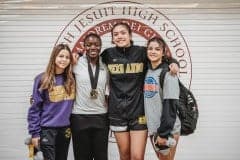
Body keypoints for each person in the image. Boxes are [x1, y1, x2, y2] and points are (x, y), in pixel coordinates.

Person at [101, 22, 179, 160]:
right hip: (117, 113)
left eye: (123, 33)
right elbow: (90, 59)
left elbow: (159, 57)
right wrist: (77, 55)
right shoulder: (107, 54)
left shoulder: (141, 52)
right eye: (116, 34)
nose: (119, 36)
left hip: (139, 112)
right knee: (124, 156)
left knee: (137, 157)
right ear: (112, 38)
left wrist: (174, 63)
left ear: (130, 35)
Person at [27, 43, 75, 160]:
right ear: (54, 57)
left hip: (65, 129)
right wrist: (35, 133)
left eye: (67, 57)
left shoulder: (72, 79)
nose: (64, 60)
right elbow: (35, 108)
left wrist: (77, 55)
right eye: (60, 56)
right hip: (47, 129)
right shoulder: (42, 79)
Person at [71, 33, 109, 160]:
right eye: (89, 45)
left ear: (100, 47)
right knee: (82, 157)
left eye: (96, 45)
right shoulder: (75, 62)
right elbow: (57, 71)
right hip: (79, 116)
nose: (93, 47)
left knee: (101, 157)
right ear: (84, 47)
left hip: (101, 116)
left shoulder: (106, 64)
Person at [144, 37, 181, 160]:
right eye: (150, 48)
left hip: (166, 130)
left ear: (163, 52)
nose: (153, 51)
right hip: (154, 128)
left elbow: (171, 105)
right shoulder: (148, 70)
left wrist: (163, 133)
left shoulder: (169, 74)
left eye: (157, 49)